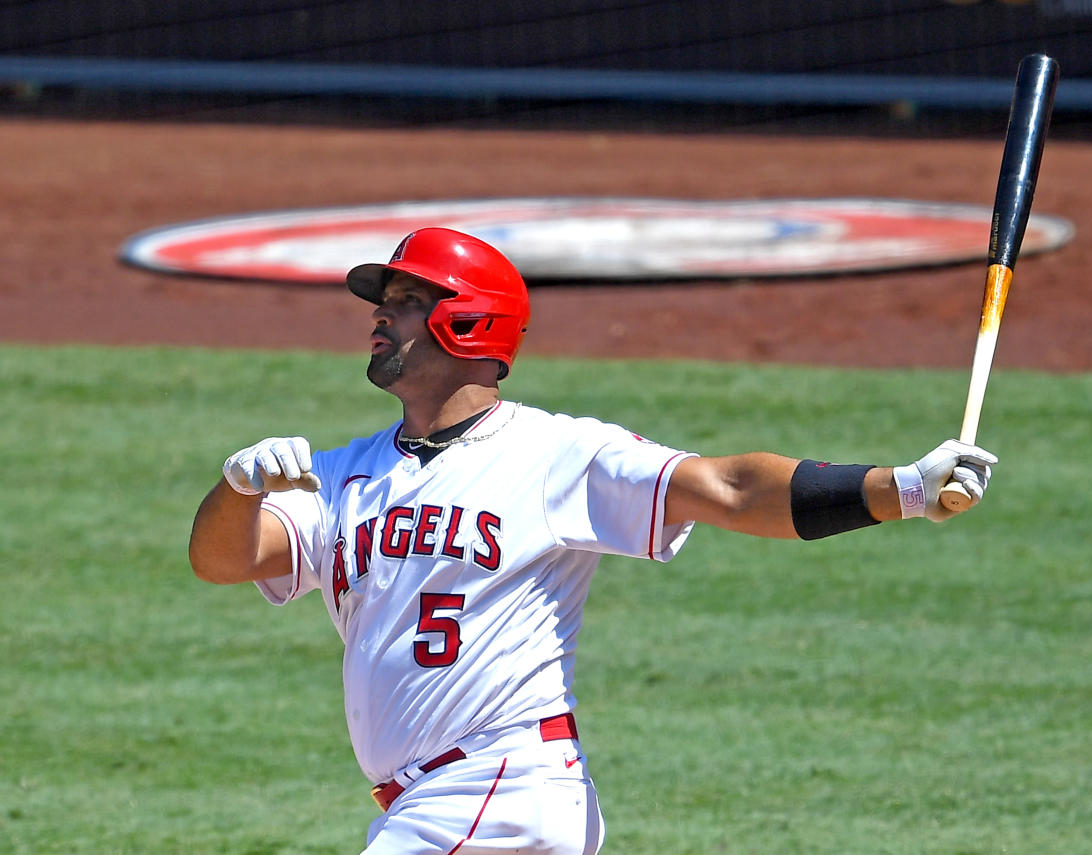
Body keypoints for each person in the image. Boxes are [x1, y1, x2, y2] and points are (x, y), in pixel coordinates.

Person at [188, 226, 997, 855]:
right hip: (441, 801)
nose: (377, 315)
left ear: (464, 319)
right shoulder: (343, 476)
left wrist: (908, 487)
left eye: (401, 299)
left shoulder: (555, 455)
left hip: (501, 791)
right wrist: (239, 486)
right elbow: (221, 558)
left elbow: (731, 488)